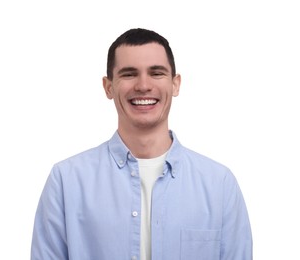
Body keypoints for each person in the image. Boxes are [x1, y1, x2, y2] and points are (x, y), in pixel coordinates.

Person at [31, 28, 252, 260]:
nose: (143, 85)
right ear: (108, 87)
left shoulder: (220, 184)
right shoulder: (66, 181)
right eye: (129, 74)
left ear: (175, 84)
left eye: (156, 73)